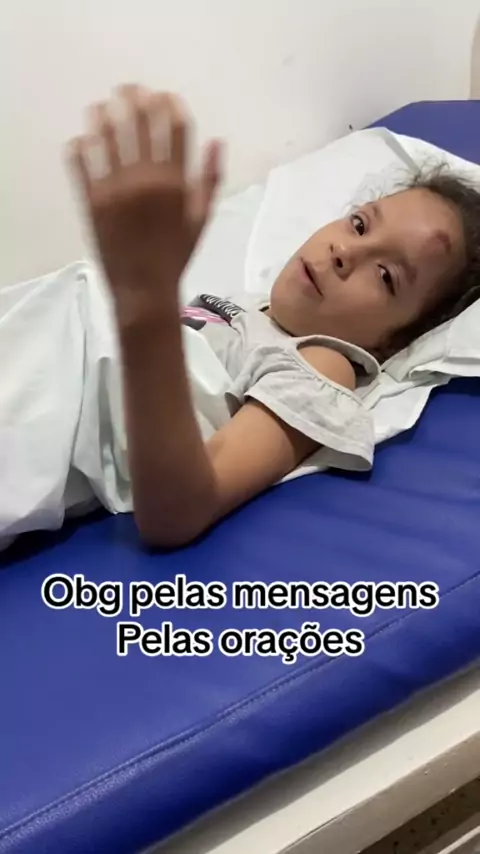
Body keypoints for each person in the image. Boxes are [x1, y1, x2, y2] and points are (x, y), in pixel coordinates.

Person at [65, 84, 480, 549]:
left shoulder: (323, 364)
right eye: (360, 224)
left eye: (386, 275)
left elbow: (178, 510)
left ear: (394, 341)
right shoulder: (248, 307)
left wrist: (145, 302)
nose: (345, 251)